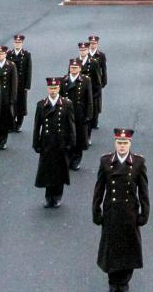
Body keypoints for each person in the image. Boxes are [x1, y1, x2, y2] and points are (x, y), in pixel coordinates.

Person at [93, 128, 150, 292]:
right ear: (115, 143)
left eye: (125, 143)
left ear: (130, 144)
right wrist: (96, 211)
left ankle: (124, 285)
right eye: (119, 143)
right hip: (111, 214)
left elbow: (143, 191)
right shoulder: (106, 162)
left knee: (128, 251)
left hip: (129, 214)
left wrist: (144, 213)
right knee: (111, 251)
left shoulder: (138, 163)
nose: (122, 146)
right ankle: (112, 285)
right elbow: (99, 189)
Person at [32, 77, 77, 207]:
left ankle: (57, 196)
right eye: (51, 88)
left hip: (61, 143)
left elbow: (71, 125)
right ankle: (48, 196)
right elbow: (37, 126)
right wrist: (36, 143)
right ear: (48, 89)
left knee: (59, 171)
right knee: (47, 171)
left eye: (55, 88)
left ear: (59, 89)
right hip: (46, 143)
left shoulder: (66, 104)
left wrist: (71, 143)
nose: (53, 90)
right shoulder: (41, 105)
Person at [61, 58, 94, 168]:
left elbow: (89, 99)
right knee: (67, 136)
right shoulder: (64, 80)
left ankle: (76, 160)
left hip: (79, 113)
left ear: (80, 69)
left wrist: (89, 115)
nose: (73, 69)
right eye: (71, 67)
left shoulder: (86, 80)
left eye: (75, 68)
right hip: (66, 113)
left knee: (79, 138)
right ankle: (68, 158)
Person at [0, 46, 19, 149]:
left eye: (2, 54)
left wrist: (12, 99)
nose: (0, 55)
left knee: (4, 120)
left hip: (6, 97)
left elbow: (14, 83)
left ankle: (3, 140)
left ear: (5, 54)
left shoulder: (11, 66)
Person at [8, 34, 32, 133]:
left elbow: (28, 70)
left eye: (19, 42)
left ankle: (19, 124)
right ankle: (12, 123)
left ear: (22, 43)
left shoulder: (26, 55)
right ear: (14, 43)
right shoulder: (9, 54)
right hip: (11, 84)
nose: (17, 44)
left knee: (21, 104)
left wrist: (27, 85)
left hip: (22, 84)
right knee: (12, 103)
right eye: (16, 42)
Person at [85, 35, 108, 132]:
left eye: (94, 43)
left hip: (96, 82)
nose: (93, 45)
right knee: (88, 102)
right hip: (87, 82)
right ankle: (89, 120)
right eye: (91, 43)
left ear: (97, 44)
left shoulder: (101, 55)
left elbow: (104, 69)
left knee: (96, 103)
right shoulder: (86, 55)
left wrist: (103, 81)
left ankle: (95, 121)